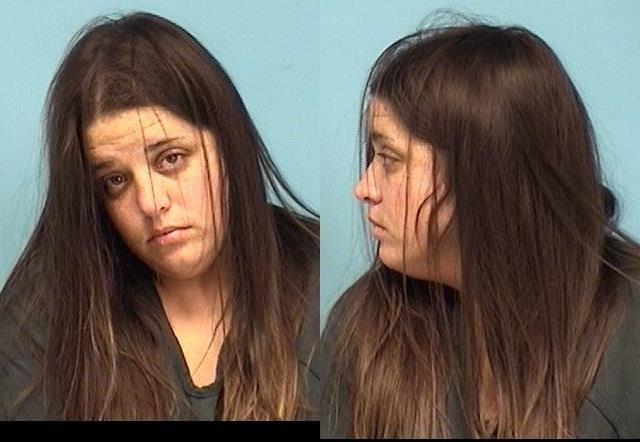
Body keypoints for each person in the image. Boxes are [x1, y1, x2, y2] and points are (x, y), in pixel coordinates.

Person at [320, 19, 640, 438]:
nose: (364, 189)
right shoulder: (366, 329)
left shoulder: (627, 338)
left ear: (485, 175)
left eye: (390, 159)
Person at [0, 12, 319, 421]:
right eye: (115, 180)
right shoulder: (45, 312)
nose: (150, 203)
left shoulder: (317, 278)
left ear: (229, 146)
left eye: (171, 159)